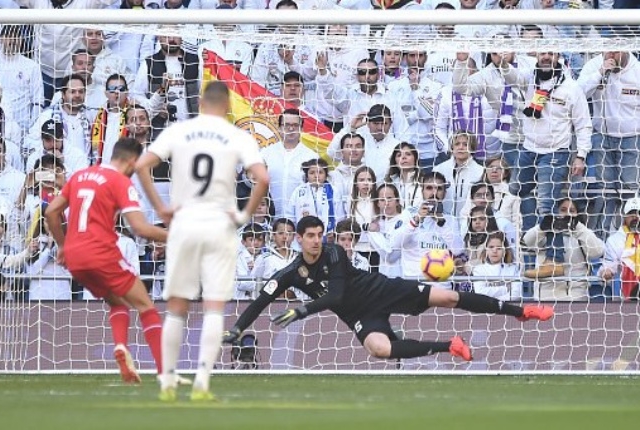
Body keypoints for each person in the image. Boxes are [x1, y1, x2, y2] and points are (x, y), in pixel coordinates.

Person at [223, 216, 554, 366]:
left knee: (450, 297)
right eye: (309, 236)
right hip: (359, 315)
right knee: (379, 349)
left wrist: (303, 310)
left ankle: (520, 312)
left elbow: (335, 295)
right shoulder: (290, 273)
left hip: (382, 290)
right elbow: (262, 299)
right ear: (298, 239)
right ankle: (449, 346)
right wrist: (238, 328)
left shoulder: (334, 252)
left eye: (319, 234)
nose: (315, 240)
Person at [134, 81, 270, 402]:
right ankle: (202, 382)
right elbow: (262, 178)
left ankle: (167, 382)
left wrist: (161, 208)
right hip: (219, 225)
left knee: (177, 307)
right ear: (226, 105)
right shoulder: (237, 135)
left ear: (200, 104)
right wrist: (244, 214)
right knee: (213, 307)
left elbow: (141, 165)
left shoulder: (179, 131)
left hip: (184, 223)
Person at [44, 137, 168, 385]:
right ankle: (166, 372)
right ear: (133, 161)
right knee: (146, 307)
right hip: (101, 252)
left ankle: (121, 346)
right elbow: (140, 228)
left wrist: (63, 246)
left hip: (76, 259)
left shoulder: (80, 175)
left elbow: (51, 212)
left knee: (116, 301)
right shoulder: (120, 182)